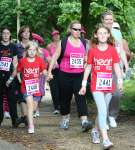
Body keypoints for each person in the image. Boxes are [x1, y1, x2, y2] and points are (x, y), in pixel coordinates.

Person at [79, 24, 123, 149]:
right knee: (103, 110)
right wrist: (83, 84)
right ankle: (106, 139)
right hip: (96, 85)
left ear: (108, 35)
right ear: (96, 35)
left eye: (105, 33)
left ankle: (95, 131)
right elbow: (88, 68)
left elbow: (116, 66)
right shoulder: (92, 50)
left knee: (102, 111)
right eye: (100, 33)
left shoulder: (112, 50)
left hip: (109, 85)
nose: (103, 35)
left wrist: (120, 81)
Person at [47, 20, 92, 131]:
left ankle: (84, 121)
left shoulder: (84, 42)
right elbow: (54, 57)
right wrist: (49, 72)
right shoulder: (63, 42)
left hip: (79, 74)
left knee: (81, 97)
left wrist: (86, 62)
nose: (77, 31)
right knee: (65, 98)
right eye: (75, 29)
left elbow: (87, 58)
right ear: (70, 30)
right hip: (64, 74)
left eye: (79, 29)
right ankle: (65, 118)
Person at [101, 10, 129, 128]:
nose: (109, 21)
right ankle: (104, 118)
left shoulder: (117, 34)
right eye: (107, 19)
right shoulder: (99, 33)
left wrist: (126, 66)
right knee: (103, 94)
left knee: (117, 94)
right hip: (102, 67)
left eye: (111, 19)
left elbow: (121, 50)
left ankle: (112, 116)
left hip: (116, 67)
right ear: (102, 21)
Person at [15, 41, 47, 133]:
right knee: (29, 105)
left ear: (36, 51)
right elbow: (18, 71)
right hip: (26, 87)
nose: (32, 52)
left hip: (36, 88)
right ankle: (31, 126)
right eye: (30, 50)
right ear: (26, 51)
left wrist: (47, 74)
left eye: (34, 50)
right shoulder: (22, 61)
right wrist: (20, 79)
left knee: (33, 107)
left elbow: (44, 70)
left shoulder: (39, 60)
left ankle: (26, 118)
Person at [0, 27, 18, 127]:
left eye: (8, 33)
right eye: (4, 33)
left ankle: (14, 121)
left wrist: (12, 77)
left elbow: (15, 64)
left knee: (12, 100)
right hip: (0, 77)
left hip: (10, 77)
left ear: (10, 35)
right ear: (1, 35)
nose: (6, 35)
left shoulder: (13, 46)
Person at [15, 25, 33, 127]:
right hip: (20, 75)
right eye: (24, 32)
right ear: (21, 34)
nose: (26, 33)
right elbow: (15, 61)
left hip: (31, 74)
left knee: (31, 97)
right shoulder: (16, 46)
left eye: (28, 32)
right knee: (21, 97)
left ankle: (25, 117)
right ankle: (25, 116)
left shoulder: (33, 45)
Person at [46, 30, 60, 114]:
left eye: (57, 35)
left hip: (62, 69)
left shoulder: (62, 44)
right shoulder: (49, 46)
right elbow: (47, 56)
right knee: (54, 88)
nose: (56, 36)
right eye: (54, 35)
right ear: (52, 37)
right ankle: (56, 107)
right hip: (53, 69)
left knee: (62, 87)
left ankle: (62, 105)